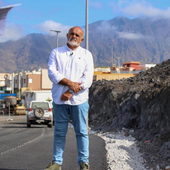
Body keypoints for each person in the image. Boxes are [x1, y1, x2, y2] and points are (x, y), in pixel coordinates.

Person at [45, 26, 94, 170]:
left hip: (79, 100)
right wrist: (71, 84)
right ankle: (56, 162)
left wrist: (71, 92)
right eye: (72, 34)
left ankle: (84, 162)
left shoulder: (87, 55)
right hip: (59, 100)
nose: (74, 36)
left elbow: (88, 80)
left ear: (82, 39)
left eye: (77, 35)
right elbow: (52, 74)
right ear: (67, 35)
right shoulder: (56, 52)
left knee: (82, 132)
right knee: (59, 132)